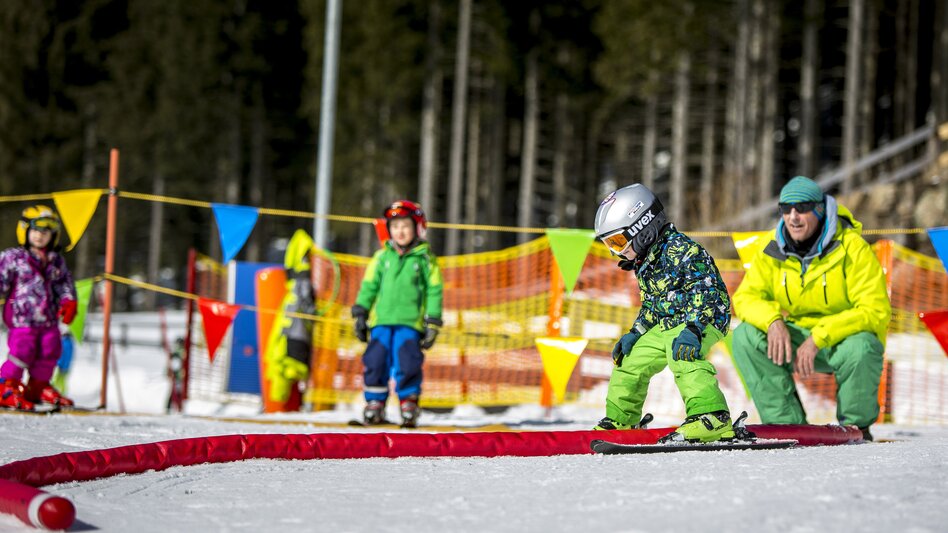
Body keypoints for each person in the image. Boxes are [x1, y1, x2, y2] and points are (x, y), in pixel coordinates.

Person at [731, 176, 890, 441]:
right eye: (785, 209)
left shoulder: (853, 248)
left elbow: (875, 311)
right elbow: (746, 297)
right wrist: (773, 321)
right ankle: (787, 426)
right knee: (745, 336)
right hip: (798, 337)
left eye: (802, 208)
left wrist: (821, 335)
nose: (793, 217)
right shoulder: (772, 247)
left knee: (862, 346)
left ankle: (856, 429)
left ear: (819, 209)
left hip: (841, 340)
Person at [594, 184, 735, 443]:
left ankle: (712, 416)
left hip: (704, 319)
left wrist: (693, 329)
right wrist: (635, 333)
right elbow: (652, 304)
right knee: (631, 360)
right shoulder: (645, 262)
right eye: (609, 244)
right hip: (668, 323)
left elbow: (706, 291)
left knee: (681, 353)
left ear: (643, 230)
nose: (616, 251)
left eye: (617, 242)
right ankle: (622, 420)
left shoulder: (682, 250)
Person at [352, 200, 443, 427]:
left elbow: (434, 290)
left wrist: (432, 321)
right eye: (395, 227)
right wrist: (361, 312)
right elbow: (369, 286)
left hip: (409, 324)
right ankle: (375, 404)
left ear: (418, 228)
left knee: (408, 362)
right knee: (375, 361)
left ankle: (409, 402)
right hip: (381, 322)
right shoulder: (382, 258)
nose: (400, 232)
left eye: (405, 226)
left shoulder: (425, 260)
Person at [0, 205, 77, 410]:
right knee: (22, 350)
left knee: (51, 350)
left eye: (45, 232)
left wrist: (69, 301)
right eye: (35, 231)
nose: (40, 236)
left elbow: (64, 284)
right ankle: (7, 385)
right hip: (21, 318)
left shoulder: (56, 261)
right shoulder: (13, 257)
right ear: (24, 231)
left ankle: (38, 386)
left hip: (49, 319)